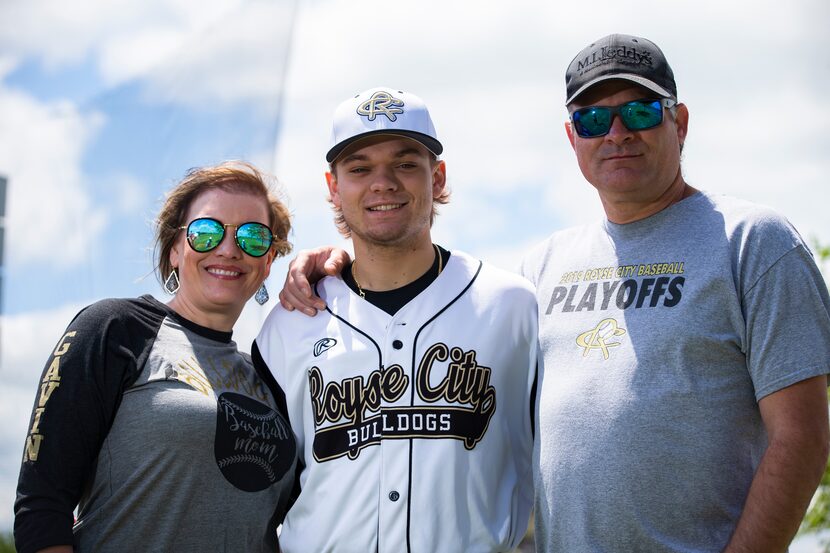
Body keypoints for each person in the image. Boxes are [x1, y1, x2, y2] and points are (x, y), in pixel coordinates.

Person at [279, 37, 830, 552]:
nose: (616, 133)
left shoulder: (753, 241)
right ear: (573, 138)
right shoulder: (540, 271)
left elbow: (803, 436)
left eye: (639, 112)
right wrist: (334, 262)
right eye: (593, 119)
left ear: (679, 122)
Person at [254, 87, 538, 553]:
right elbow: (262, 491)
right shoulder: (290, 322)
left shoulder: (512, 307)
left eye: (405, 164)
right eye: (360, 168)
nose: (382, 182)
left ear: (438, 177)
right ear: (334, 187)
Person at [14, 161, 298, 553]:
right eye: (206, 232)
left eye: (252, 236)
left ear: (267, 262)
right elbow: (42, 506)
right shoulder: (114, 329)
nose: (229, 249)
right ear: (175, 249)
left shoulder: (270, 375)